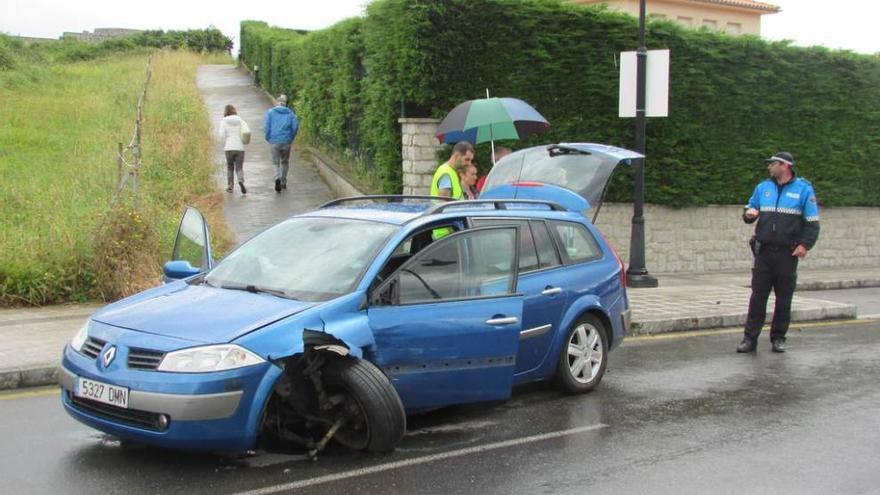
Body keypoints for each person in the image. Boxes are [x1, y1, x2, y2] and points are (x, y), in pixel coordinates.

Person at [737, 151, 820, 354]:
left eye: (772, 163)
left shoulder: (803, 190)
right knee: (757, 297)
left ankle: (779, 338)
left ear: (784, 165)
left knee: (784, 298)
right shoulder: (762, 187)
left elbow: (812, 223)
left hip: (787, 254)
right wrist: (748, 214)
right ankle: (750, 339)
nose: (769, 167)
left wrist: (804, 245)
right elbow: (750, 209)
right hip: (763, 252)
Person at [263, 94, 299, 192]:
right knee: (285, 161)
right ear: (286, 104)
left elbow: (266, 127)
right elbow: (295, 127)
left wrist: (268, 137)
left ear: (277, 102)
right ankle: (283, 181)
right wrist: (291, 137)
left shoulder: (270, 113)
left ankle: (277, 178)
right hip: (286, 140)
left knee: (275, 162)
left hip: (274, 140)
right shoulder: (290, 113)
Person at [219, 104, 248, 194]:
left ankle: (230, 186)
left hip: (229, 147)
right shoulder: (240, 120)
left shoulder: (224, 121)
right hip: (239, 147)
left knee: (230, 167)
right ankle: (241, 181)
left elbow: (221, 135)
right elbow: (245, 131)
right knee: (239, 167)